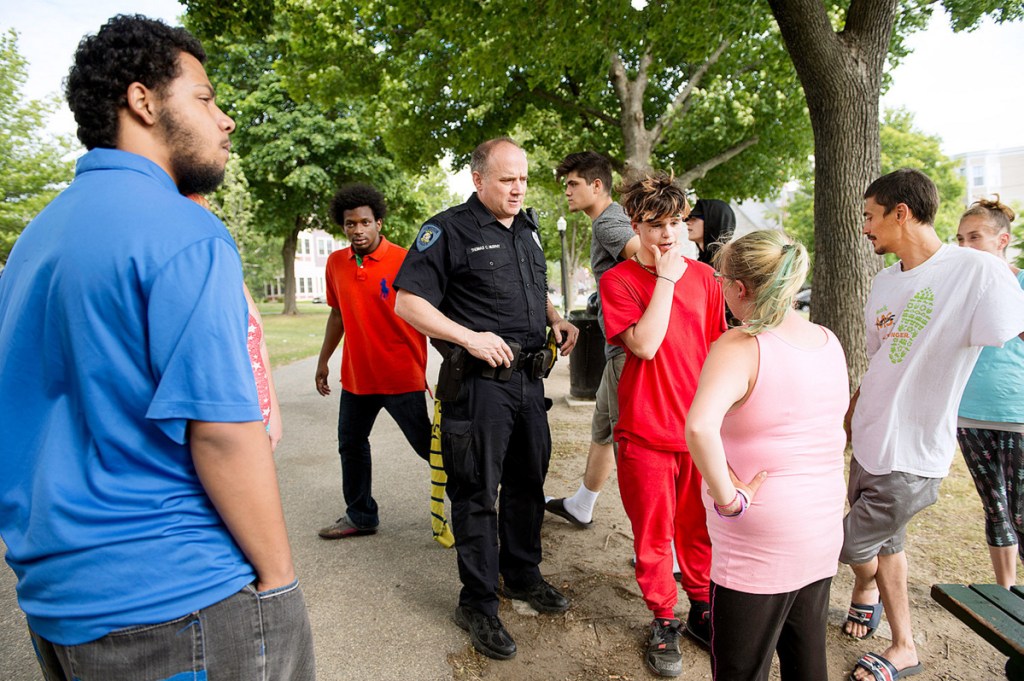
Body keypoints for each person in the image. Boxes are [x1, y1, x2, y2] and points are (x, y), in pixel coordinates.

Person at [0, 15, 314, 680]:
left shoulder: (35, 240)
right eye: (204, 98)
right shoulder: (184, 230)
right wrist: (280, 578)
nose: (225, 119)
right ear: (142, 101)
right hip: (177, 600)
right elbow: (224, 432)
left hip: (57, 604)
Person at [393, 137, 579, 661]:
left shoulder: (527, 227)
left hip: (528, 381)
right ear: (478, 180)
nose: (518, 188)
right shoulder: (448, 229)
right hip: (477, 387)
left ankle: (521, 574)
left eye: (523, 178)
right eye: (506, 179)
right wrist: (467, 337)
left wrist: (556, 319)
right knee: (476, 493)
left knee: (528, 481)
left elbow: (530, 285)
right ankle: (476, 603)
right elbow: (408, 303)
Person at [842, 169, 1024, 681]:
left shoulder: (976, 271)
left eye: (870, 217)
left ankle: (860, 590)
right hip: (871, 439)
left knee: (842, 545)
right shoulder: (883, 280)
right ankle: (904, 646)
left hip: (914, 449)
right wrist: (850, 418)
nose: (865, 229)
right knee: (888, 545)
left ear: (902, 212)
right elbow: (881, 363)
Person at [686, 230, 849, 680]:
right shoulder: (827, 340)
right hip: (819, 526)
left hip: (759, 536)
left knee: (741, 667)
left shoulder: (741, 345)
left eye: (721, 278)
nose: (718, 286)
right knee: (807, 657)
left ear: (741, 289)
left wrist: (727, 499)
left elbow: (699, 426)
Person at [600, 171, 727, 677]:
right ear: (636, 225)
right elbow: (646, 344)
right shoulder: (619, 280)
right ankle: (662, 617)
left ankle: (701, 605)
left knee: (698, 530)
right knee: (653, 536)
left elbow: (719, 349)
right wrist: (668, 281)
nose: (669, 235)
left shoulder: (708, 280)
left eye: (676, 223)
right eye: (655, 225)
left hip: (698, 433)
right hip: (645, 432)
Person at [315, 182, 431, 539]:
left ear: (379, 222)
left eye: (365, 222)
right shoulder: (336, 263)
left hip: (401, 374)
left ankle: (476, 502)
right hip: (357, 377)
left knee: (429, 446)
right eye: (350, 224)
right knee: (350, 444)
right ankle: (361, 515)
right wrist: (323, 361)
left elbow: (429, 313)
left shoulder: (406, 260)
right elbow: (337, 316)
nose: (358, 230)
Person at [545, 151, 638, 528]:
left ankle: (662, 543)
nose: (566, 192)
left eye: (573, 184)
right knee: (603, 427)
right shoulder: (611, 220)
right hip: (617, 348)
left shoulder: (607, 225)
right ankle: (582, 504)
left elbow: (652, 260)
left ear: (596, 185)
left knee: (630, 446)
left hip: (629, 351)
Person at [954, 197, 1024, 588]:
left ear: (1002, 240)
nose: (965, 246)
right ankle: (1007, 592)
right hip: (969, 413)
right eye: (960, 239)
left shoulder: (1022, 282)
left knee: (1022, 513)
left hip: (1018, 415)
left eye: (974, 237)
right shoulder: (961, 291)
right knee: (995, 507)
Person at [187, 193, 284, 451]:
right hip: (225, 424)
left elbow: (257, 339)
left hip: (258, 417)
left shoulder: (229, 268)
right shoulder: (186, 280)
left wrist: (272, 411)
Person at [686, 198, 736, 266]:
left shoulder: (728, 268)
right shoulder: (702, 262)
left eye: (694, 218)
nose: (688, 222)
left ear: (713, 222)